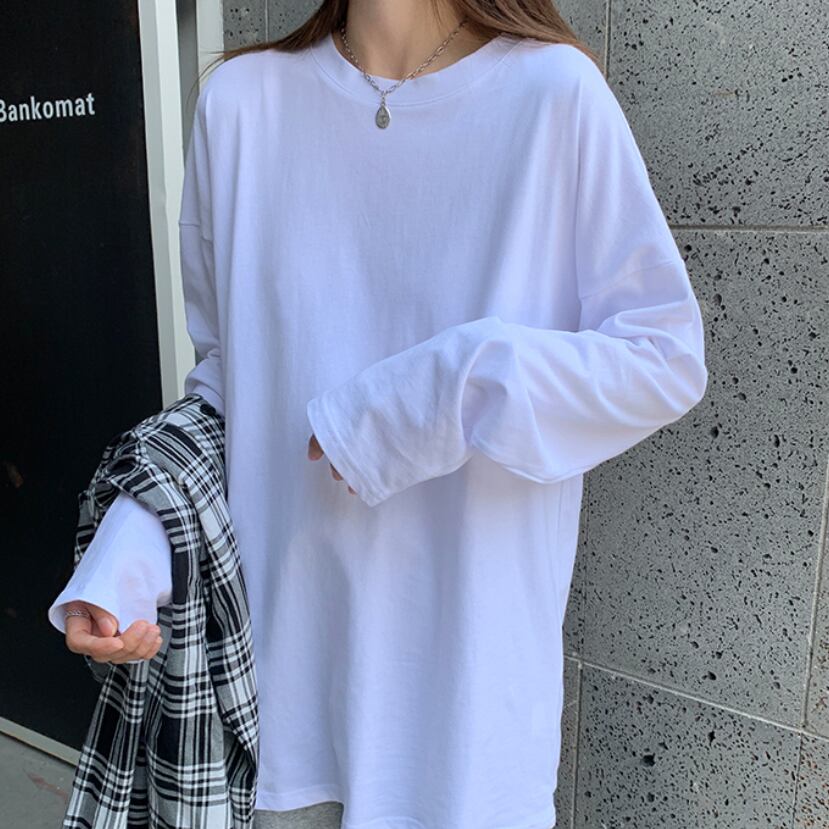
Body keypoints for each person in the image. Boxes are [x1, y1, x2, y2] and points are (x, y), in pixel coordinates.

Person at [48, 1, 709, 827]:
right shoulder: (241, 104)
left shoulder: (553, 95)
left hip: (466, 728)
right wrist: (141, 535)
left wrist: (445, 391)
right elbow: (229, 381)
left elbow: (663, 358)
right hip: (278, 713)